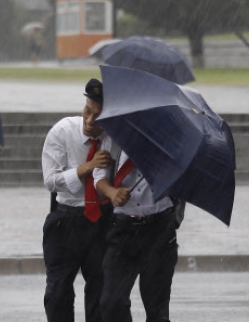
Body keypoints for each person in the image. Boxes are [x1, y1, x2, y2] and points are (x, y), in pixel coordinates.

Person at [41, 78, 113, 322]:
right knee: (58, 294)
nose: (90, 121)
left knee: (101, 296)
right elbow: (51, 180)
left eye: (99, 118)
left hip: (101, 223)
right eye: (87, 111)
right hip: (66, 221)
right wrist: (86, 168)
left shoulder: (115, 140)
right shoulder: (63, 131)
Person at [95, 150, 179, 322]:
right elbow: (99, 177)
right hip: (123, 228)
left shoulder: (171, 143)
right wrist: (112, 193)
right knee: (112, 303)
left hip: (160, 227)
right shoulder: (113, 140)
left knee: (157, 311)